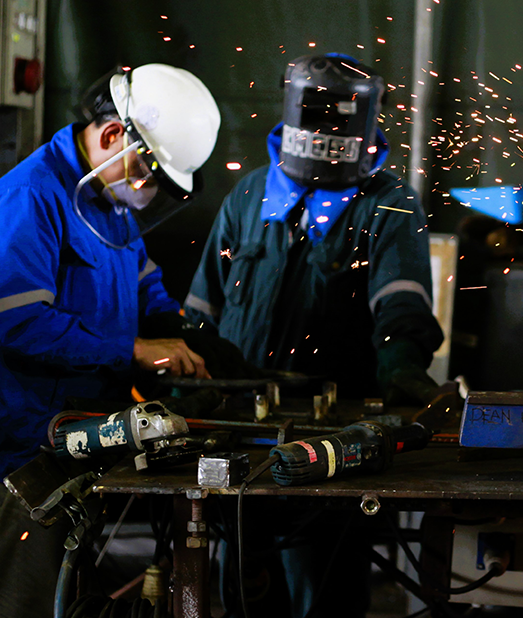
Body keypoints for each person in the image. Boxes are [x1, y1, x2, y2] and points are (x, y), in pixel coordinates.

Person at [183, 54, 444, 617]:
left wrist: (401, 363)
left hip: (333, 444)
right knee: (242, 592)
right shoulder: (249, 197)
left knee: (324, 595)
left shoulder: (388, 204)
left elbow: (401, 303)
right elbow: (202, 309)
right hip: (239, 430)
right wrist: (189, 372)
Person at [0, 64, 224, 618]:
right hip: (31, 446)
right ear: (111, 135)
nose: (148, 191)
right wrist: (131, 350)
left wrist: (187, 334)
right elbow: (18, 325)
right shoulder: (30, 199)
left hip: (92, 438)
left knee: (76, 601)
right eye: (147, 173)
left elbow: (143, 286)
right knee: (31, 606)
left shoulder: (107, 199)